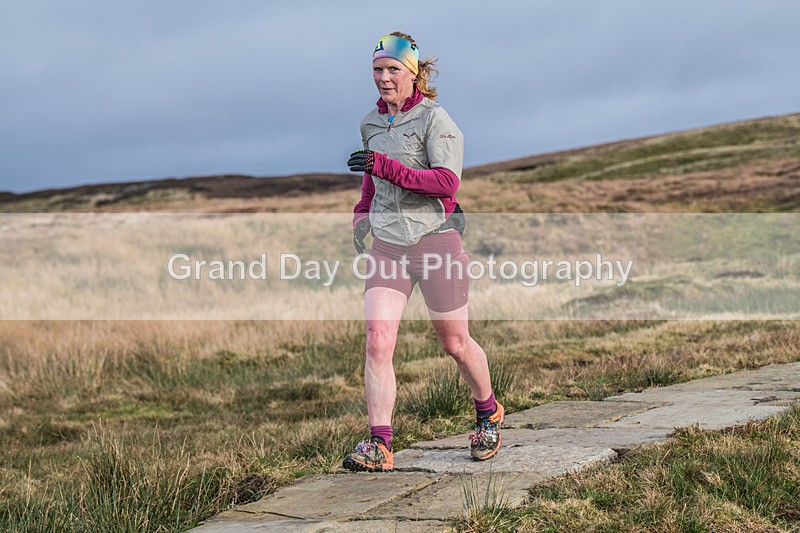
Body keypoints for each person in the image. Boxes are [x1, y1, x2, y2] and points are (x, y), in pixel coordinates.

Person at [342, 32, 503, 473]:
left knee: (455, 342)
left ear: (413, 74)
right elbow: (370, 184)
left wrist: (385, 166)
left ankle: (487, 413)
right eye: (377, 70)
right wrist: (361, 217)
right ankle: (380, 444)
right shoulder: (370, 125)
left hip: (435, 241)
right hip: (388, 245)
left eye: (393, 69)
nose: (383, 78)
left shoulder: (437, 119)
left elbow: (446, 183)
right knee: (378, 340)